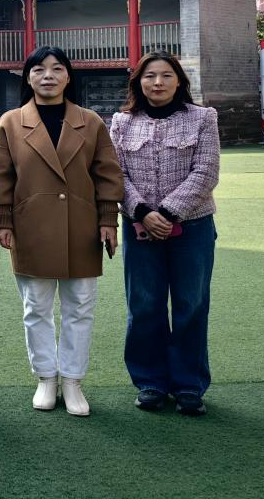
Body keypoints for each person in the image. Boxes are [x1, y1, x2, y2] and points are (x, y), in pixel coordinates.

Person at [0, 46, 124, 416]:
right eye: (39, 69)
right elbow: (1, 177)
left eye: (57, 68)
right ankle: (46, 378)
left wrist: (108, 220)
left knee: (80, 306)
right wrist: (2, 221)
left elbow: (107, 174)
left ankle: (73, 380)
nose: (48, 76)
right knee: (36, 307)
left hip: (82, 226)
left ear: (68, 76)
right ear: (27, 77)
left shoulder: (91, 122)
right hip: (30, 226)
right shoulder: (10, 123)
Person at [110, 51, 220, 417]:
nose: (157, 82)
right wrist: (143, 212)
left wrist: (169, 214)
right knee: (144, 305)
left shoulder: (203, 118)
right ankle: (150, 382)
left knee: (191, 305)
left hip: (192, 227)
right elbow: (115, 174)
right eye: (149, 76)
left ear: (179, 82)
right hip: (139, 226)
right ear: (138, 82)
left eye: (166, 75)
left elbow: (206, 171)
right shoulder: (122, 122)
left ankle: (189, 385)